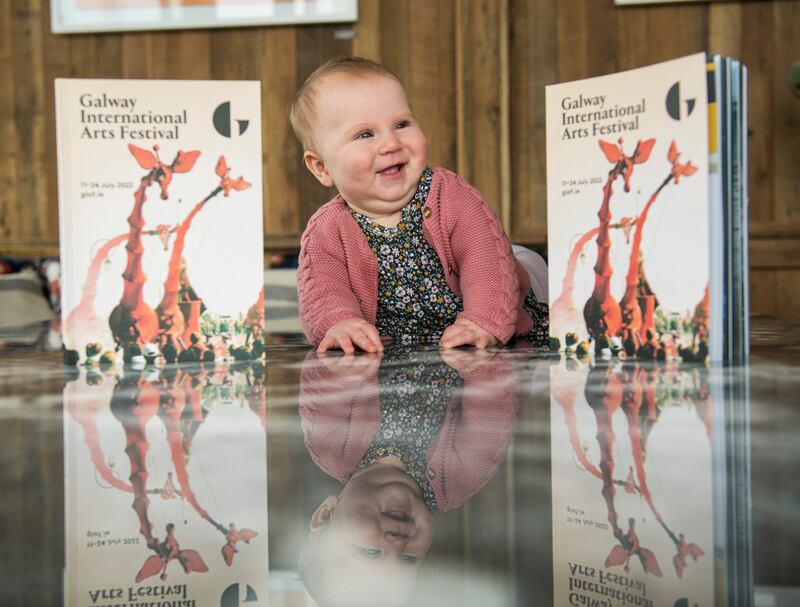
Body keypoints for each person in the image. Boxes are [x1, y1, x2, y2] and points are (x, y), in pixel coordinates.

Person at [290, 56, 548, 353]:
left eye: (401, 124)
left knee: (520, 269)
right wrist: (339, 322)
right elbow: (323, 291)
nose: (391, 144)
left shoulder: (450, 196)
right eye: (365, 134)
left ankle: (532, 262)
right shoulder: (326, 230)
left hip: (498, 300)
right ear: (321, 167)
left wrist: (481, 321)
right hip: (405, 351)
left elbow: (485, 260)